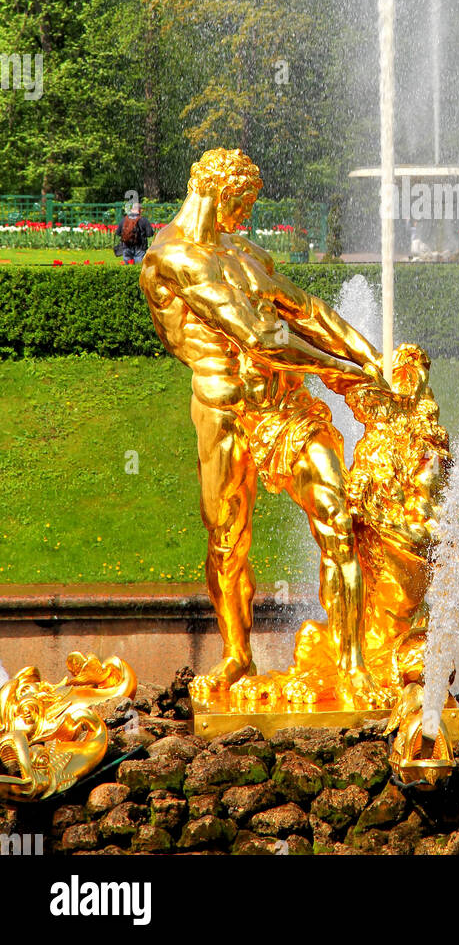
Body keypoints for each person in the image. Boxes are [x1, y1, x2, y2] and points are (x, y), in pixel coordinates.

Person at [139, 148, 390, 707]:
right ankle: (237, 655)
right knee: (229, 539)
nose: (247, 213)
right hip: (224, 409)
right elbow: (261, 338)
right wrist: (346, 374)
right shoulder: (172, 259)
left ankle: (352, 665)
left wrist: (373, 361)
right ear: (221, 190)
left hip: (283, 405)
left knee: (337, 515)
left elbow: (307, 311)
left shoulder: (244, 252)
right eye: (245, 201)